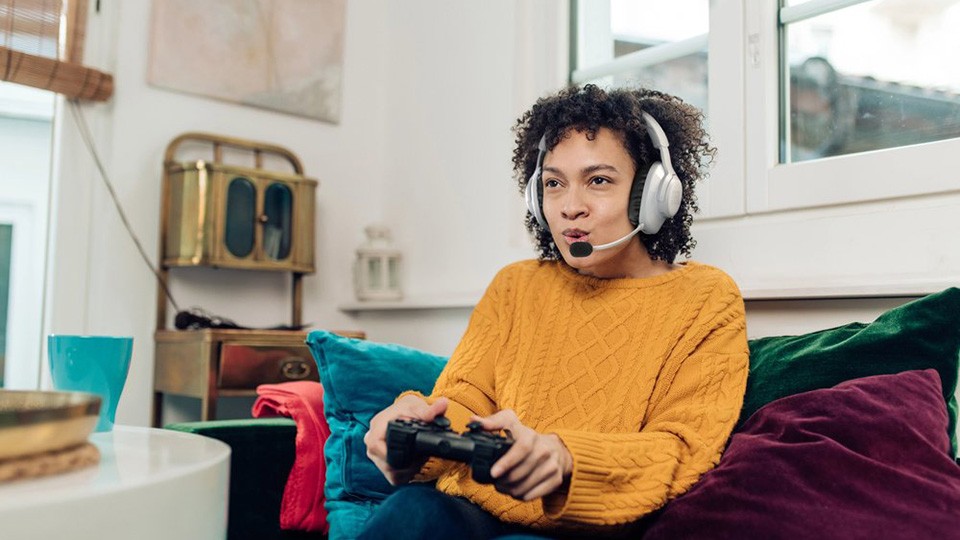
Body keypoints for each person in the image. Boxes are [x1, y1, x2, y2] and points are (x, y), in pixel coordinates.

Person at [360, 84, 749, 539]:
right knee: (411, 511)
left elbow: (682, 449)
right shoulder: (515, 286)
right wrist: (414, 422)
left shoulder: (706, 298)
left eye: (598, 180)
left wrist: (565, 459)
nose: (570, 207)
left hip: (591, 526)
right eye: (553, 183)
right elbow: (466, 398)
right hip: (467, 513)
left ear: (654, 193)